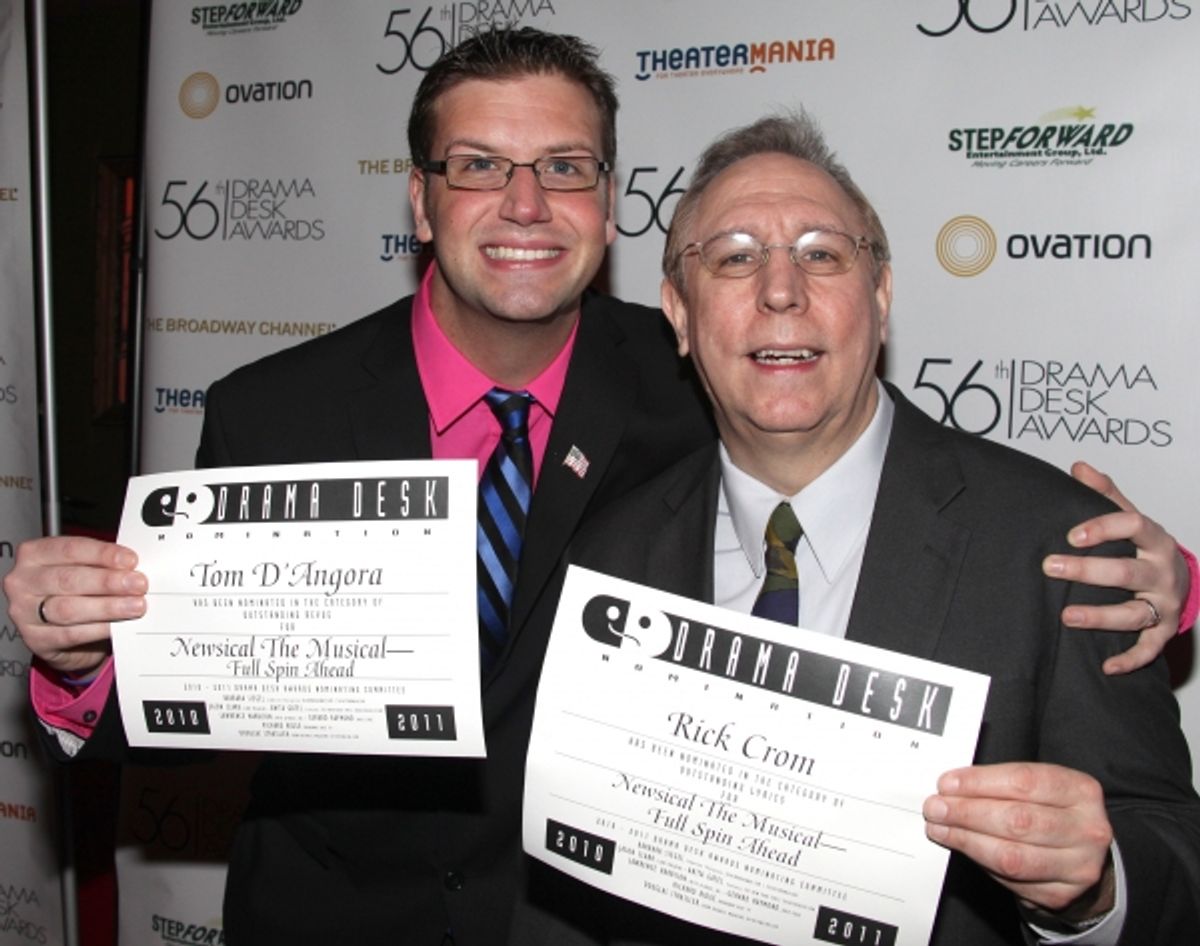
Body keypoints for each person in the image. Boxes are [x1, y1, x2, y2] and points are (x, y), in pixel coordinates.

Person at [1, 27, 1194, 946]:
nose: (525, 206)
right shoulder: (275, 409)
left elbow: (872, 462)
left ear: (609, 202)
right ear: (419, 199)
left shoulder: (698, 374)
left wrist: (1161, 580)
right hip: (333, 914)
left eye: (563, 167)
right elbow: (174, 704)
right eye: (480, 167)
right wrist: (79, 660)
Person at [565, 112, 1200, 944]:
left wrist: (1096, 888)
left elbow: (1173, 863)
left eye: (822, 253)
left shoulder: (1059, 548)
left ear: (882, 295)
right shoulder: (611, 556)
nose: (781, 289)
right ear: (680, 316)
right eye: (734, 258)